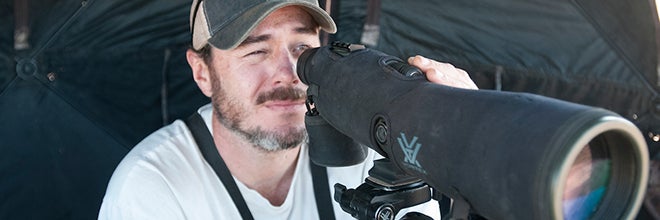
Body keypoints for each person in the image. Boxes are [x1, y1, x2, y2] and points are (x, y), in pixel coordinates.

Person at [98, 0, 478, 219]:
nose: (289, 74)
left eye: (303, 51)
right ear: (203, 73)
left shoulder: (366, 152)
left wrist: (466, 140)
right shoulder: (153, 189)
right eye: (256, 51)